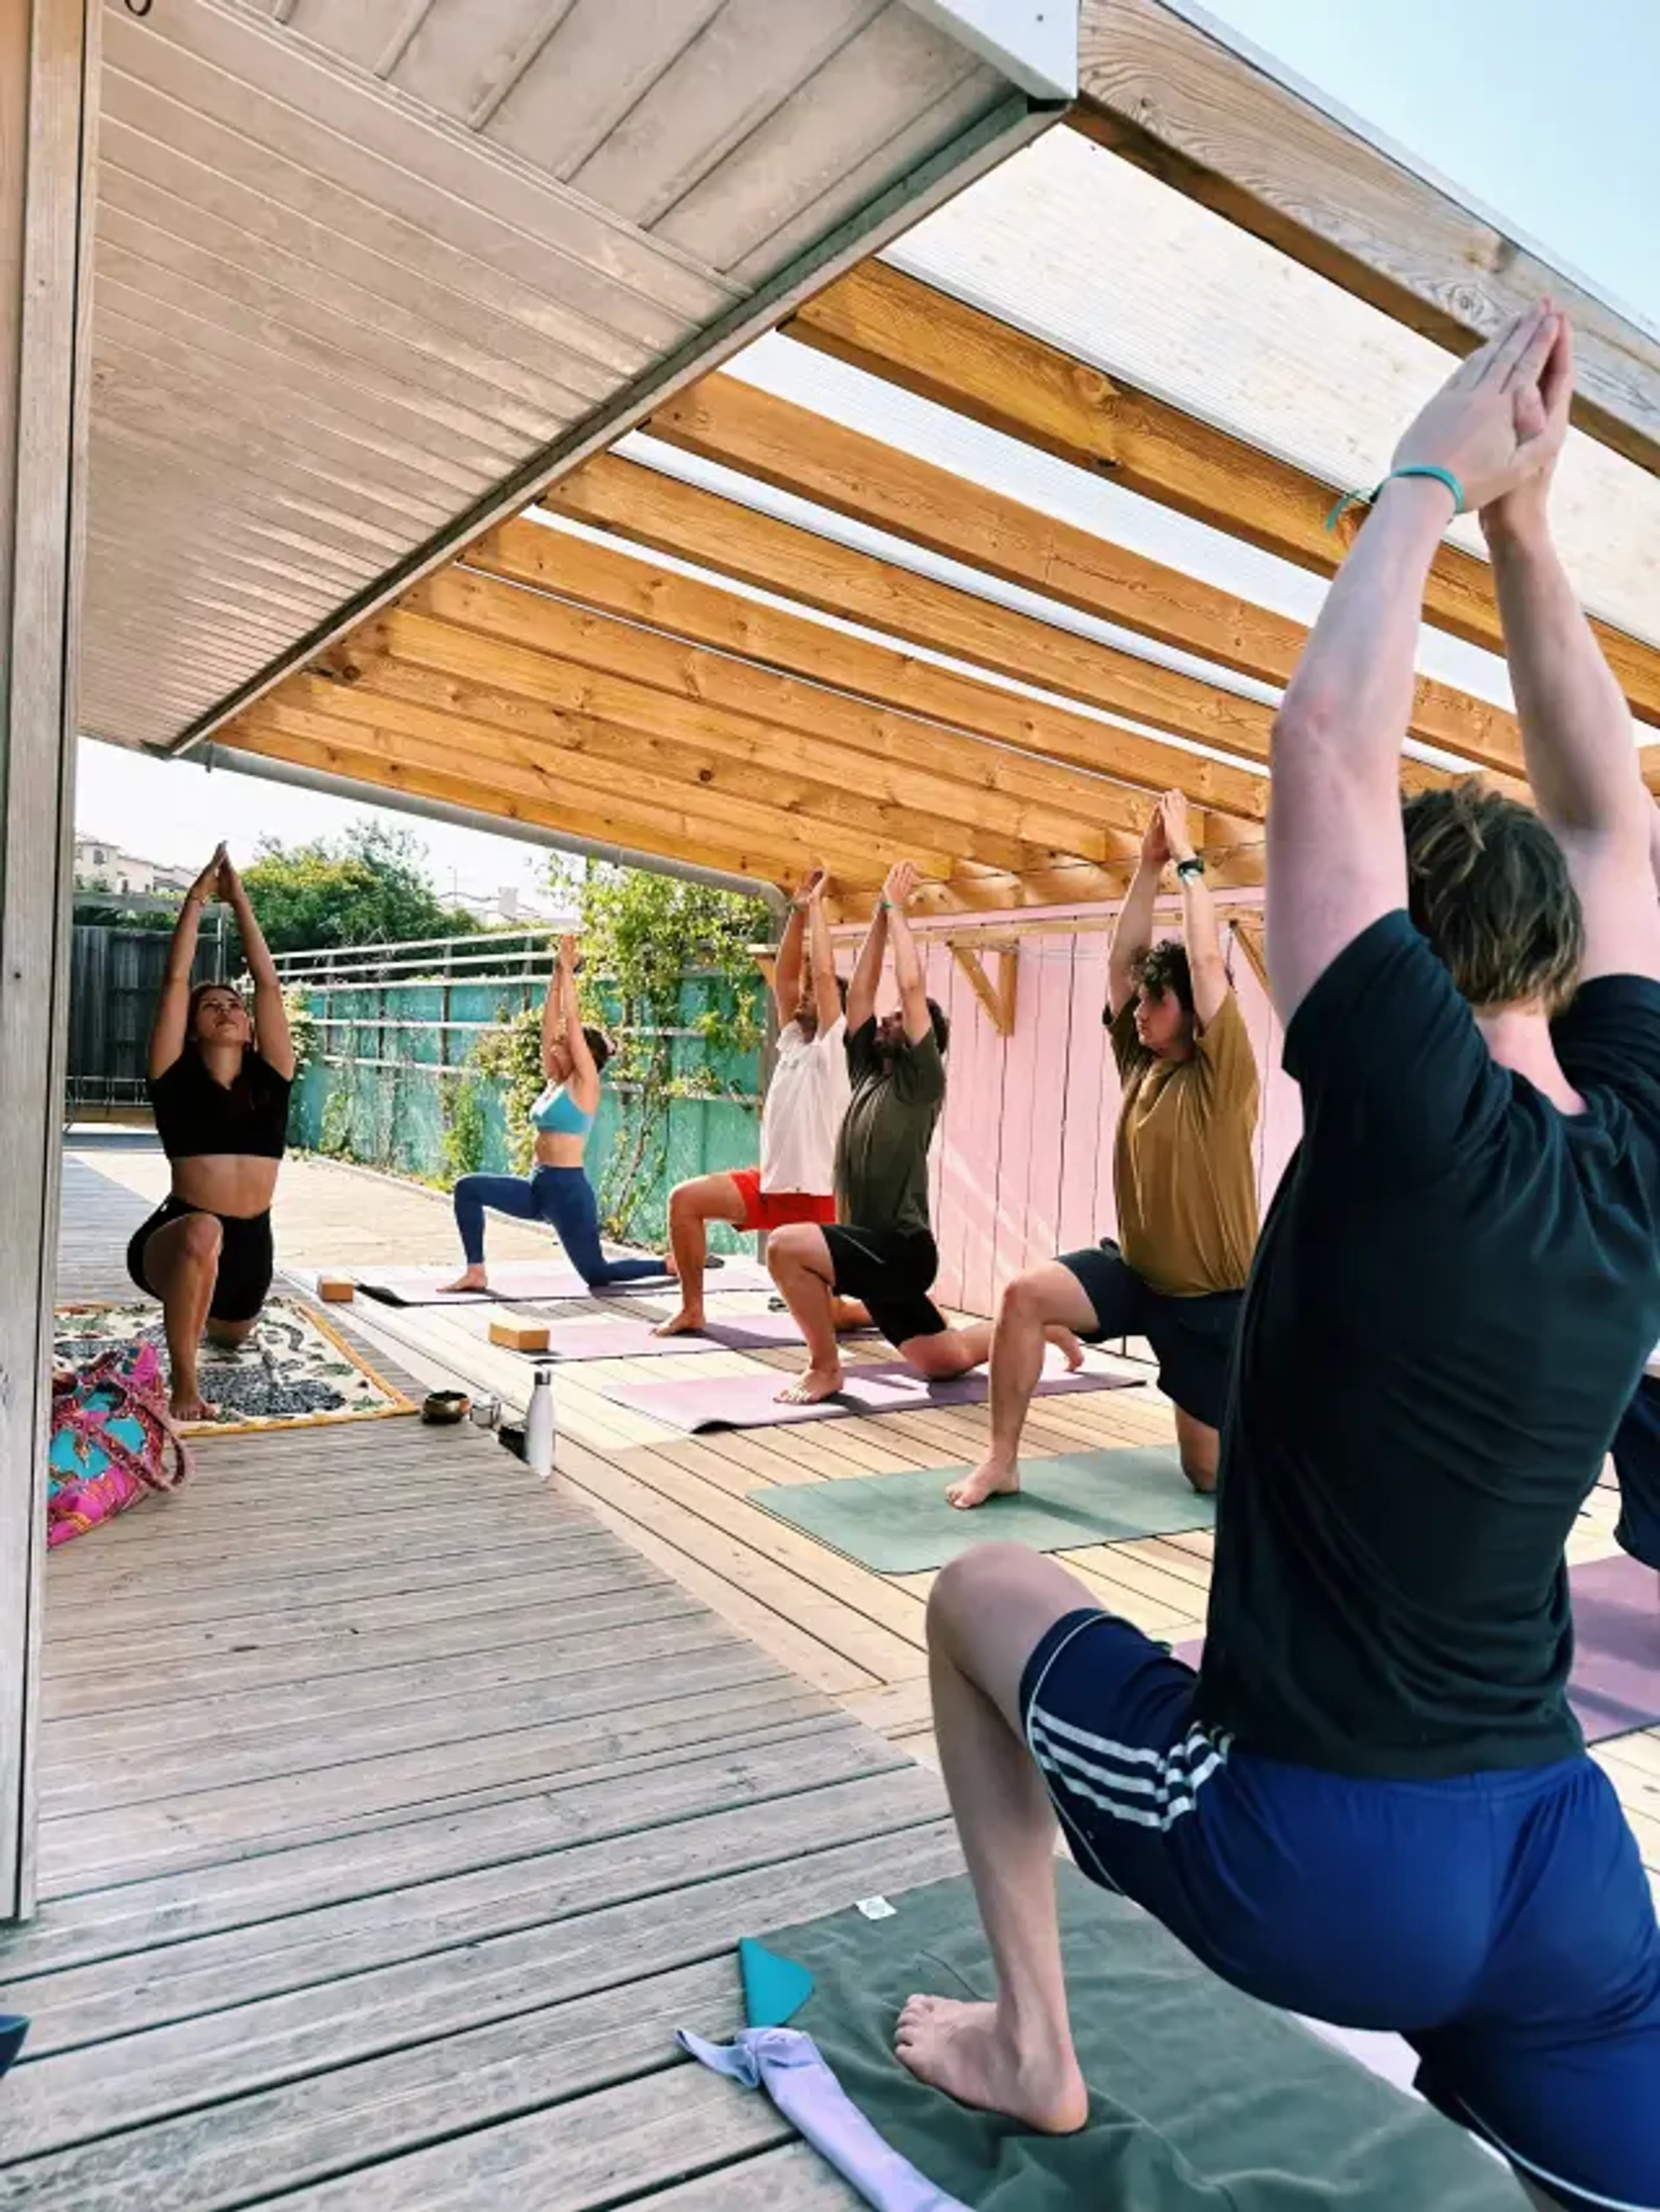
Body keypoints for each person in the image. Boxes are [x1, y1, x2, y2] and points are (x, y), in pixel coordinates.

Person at [894, 309, 1660, 2212]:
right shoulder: (1639, 1146)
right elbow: (1614, 819)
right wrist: (1531, 534)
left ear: (1399, 950)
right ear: (1563, 962)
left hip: (1324, 1853)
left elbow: (1326, 741)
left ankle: (1033, 2045)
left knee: (983, 1591)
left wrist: (1430, 476)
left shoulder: (1407, 1113)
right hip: (1566, 1857)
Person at [946, 790, 1259, 1509]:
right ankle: (1002, 1459)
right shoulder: (1142, 1062)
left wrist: (1187, 858)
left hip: (1214, 1304)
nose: (1141, 1012)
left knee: (1210, 1475)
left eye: (1159, 1003)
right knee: (1023, 1297)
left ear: (1193, 1013)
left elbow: (1207, 957)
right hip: (1137, 1275)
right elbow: (1122, 964)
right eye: (1142, 1004)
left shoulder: (1224, 1074)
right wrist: (1145, 869)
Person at [767, 861, 989, 1402]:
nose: (887, 1019)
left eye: (899, 1021)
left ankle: (825, 1367)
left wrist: (897, 909)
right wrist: (877, 922)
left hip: (902, 1251)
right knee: (944, 1361)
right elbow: (859, 992)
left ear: (924, 1044)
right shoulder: (868, 1070)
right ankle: (1034, 1325)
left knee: (783, 1247)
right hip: (872, 1252)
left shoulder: (921, 1084)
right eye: (888, 1019)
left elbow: (911, 986)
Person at [654, 868, 862, 1338]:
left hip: (815, 1199)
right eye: (803, 997)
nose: (803, 998)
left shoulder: (837, 1050)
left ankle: (888, 1310)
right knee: (684, 1201)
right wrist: (798, 909)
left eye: (815, 997)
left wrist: (820, 910)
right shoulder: (792, 1042)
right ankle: (692, 1308)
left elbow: (822, 974)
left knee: (831, 1317)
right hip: (769, 1185)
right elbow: (787, 977)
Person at [127, 845, 295, 1421]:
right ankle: (184, 1385)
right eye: (211, 1007)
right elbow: (176, 979)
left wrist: (240, 898)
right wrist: (199, 898)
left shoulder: (272, 1079)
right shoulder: (174, 1080)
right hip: (178, 1233)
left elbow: (269, 986)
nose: (225, 1010)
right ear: (194, 1030)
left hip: (254, 1249)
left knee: (232, 1334)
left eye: (233, 1005)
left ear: (250, 1030)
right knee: (203, 1232)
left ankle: (201, 1320)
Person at [445, 935, 669, 1294]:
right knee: (467, 1189)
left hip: (568, 1192)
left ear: (584, 1052)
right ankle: (476, 1271)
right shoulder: (555, 1080)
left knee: (597, 1274)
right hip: (538, 1188)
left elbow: (572, 1018)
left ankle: (667, 1264)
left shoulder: (586, 1084)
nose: (557, 1040)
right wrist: (555, 971)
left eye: (566, 1040)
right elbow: (550, 1022)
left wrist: (569, 974)